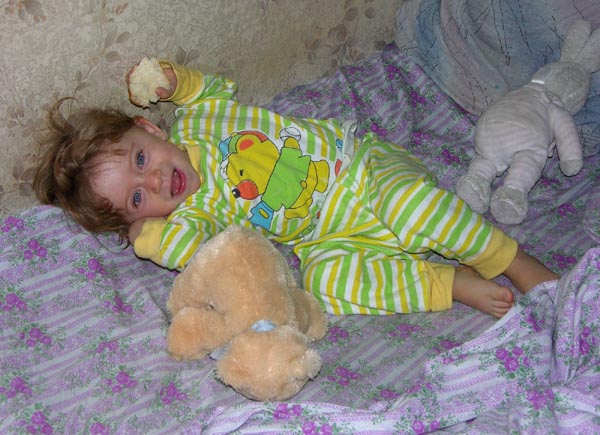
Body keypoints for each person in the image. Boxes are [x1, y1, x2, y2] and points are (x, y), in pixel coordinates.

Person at [33, 59, 559, 318]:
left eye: (141, 160)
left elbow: (207, 89)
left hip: (361, 170)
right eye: (137, 198)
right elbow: (188, 251)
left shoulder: (200, 122)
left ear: (149, 127)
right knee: (325, 287)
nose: (153, 181)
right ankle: (445, 283)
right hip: (326, 236)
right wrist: (148, 237)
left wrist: (173, 81)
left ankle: (507, 258)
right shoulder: (195, 215)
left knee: (411, 206)